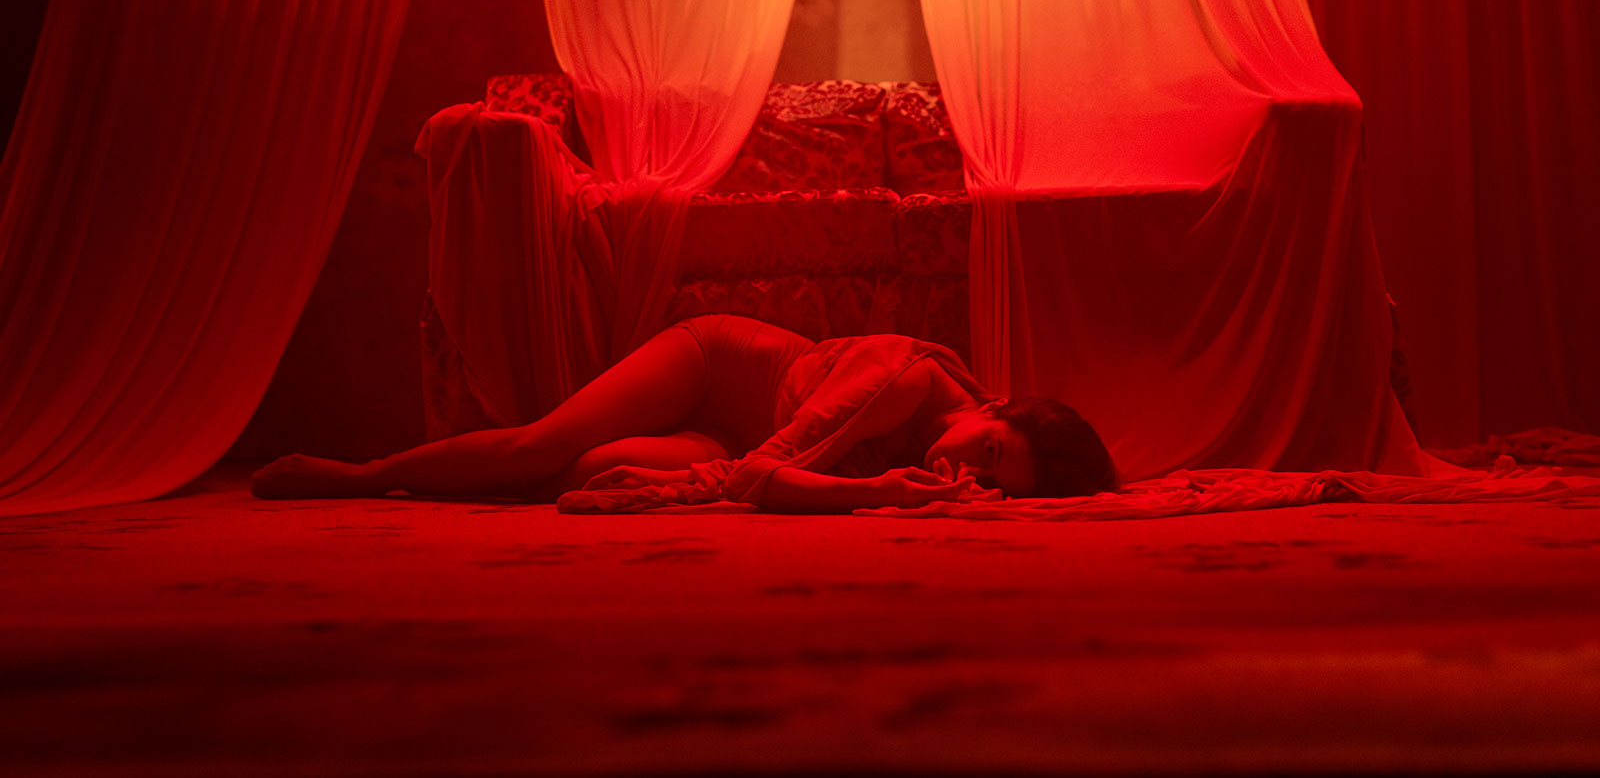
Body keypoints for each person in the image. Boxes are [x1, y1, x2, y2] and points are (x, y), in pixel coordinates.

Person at [250, 314, 1117, 512]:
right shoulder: (901, 380)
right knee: (536, 450)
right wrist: (874, 494)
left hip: (738, 432)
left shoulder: (940, 448)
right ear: (995, 403)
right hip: (714, 364)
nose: (964, 473)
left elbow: (748, 469)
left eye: (992, 483)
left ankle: (418, 483)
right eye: (989, 450)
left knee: (583, 476)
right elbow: (763, 474)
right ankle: (361, 475)